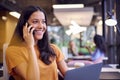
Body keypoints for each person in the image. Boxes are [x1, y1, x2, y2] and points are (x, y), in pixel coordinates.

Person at [5, 5, 68, 80]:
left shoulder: (53, 49)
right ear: (24, 26)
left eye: (43, 22)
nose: (41, 26)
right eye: (35, 22)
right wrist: (30, 46)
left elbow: (69, 75)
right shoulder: (13, 51)